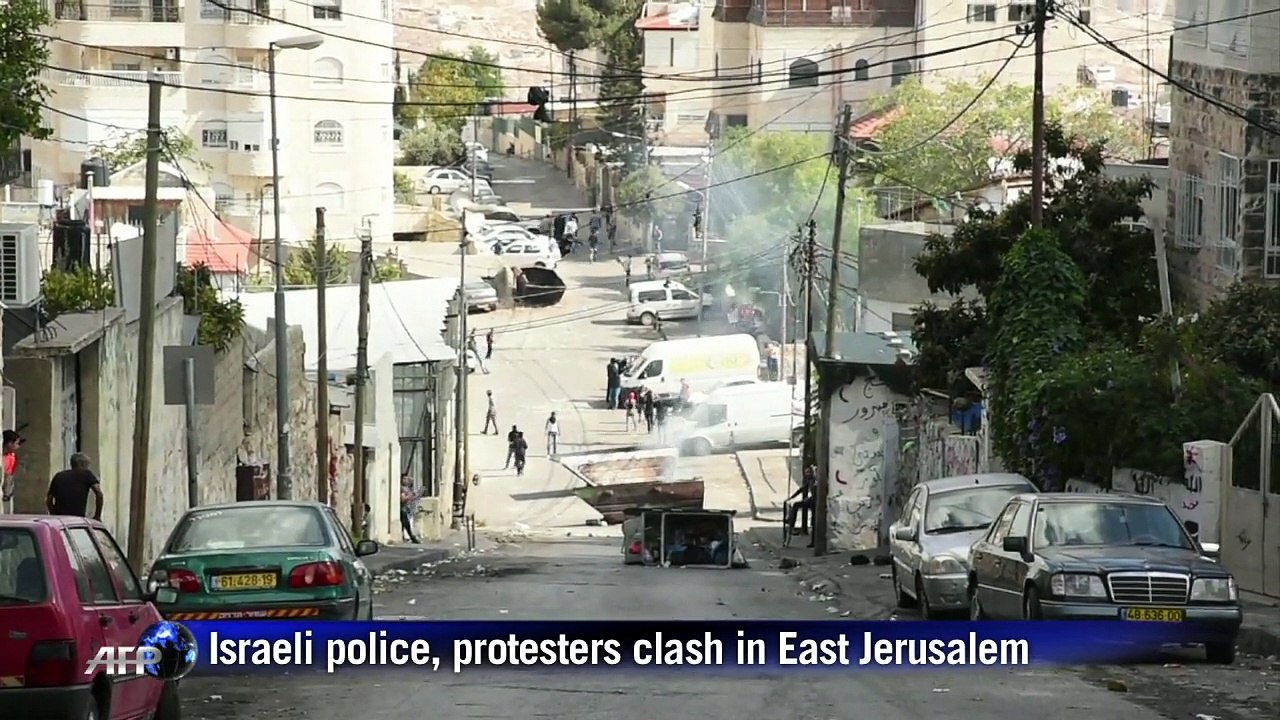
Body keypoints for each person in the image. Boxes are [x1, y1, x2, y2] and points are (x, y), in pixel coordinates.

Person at [46, 453, 103, 519]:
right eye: (87, 464)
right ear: (81, 464)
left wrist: (54, 514)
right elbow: (99, 493)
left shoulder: (59, 476)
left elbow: (49, 499)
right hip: (77, 518)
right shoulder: (86, 474)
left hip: (60, 518)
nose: (87, 467)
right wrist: (97, 515)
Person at [785, 465, 818, 548]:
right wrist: (791, 498)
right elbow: (802, 489)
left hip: (816, 502)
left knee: (814, 522)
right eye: (806, 473)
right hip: (812, 500)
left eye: (809, 472)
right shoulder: (809, 480)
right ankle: (791, 524)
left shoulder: (815, 480)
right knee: (796, 505)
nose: (807, 474)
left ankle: (814, 542)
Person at [2, 430, 22, 514]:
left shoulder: (11, 457)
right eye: (16, 443)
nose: (18, 446)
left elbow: (9, 475)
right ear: (9, 443)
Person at [399, 476, 421, 544]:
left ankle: (408, 537)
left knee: (405, 524)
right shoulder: (402, 488)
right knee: (406, 524)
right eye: (404, 479)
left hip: (408, 508)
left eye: (407, 479)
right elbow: (403, 499)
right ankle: (411, 537)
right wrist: (409, 496)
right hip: (403, 508)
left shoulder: (407, 488)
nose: (406, 480)